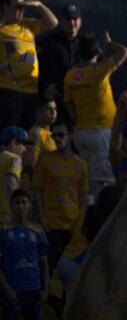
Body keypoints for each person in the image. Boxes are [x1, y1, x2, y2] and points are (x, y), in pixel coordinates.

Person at [62, 31, 126, 201]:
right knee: (103, 183)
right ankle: (100, 218)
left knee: (89, 181)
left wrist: (77, 121)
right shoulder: (100, 69)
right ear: (97, 53)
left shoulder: (70, 75)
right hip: (101, 133)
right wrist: (109, 45)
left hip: (80, 133)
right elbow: (124, 52)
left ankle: (89, 217)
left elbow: (68, 104)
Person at [30, 123, 85, 265]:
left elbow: (85, 197)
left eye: (61, 135)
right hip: (51, 224)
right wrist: (41, 218)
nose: (57, 139)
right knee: (49, 264)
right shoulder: (45, 160)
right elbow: (37, 191)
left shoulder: (81, 164)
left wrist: (80, 223)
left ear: (70, 136)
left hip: (72, 225)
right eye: (54, 136)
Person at [0, 0, 56, 132]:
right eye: (18, 7)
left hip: (31, 92)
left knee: (26, 136)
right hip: (10, 92)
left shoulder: (27, 26)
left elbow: (53, 23)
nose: (22, 11)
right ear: (5, 7)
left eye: (23, 8)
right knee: (9, 136)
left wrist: (39, 5)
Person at [0, 189, 47, 320]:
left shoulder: (38, 231)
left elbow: (44, 263)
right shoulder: (3, 231)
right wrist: (8, 291)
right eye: (16, 203)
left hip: (34, 290)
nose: (20, 206)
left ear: (30, 205)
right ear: (10, 206)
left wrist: (45, 290)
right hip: (13, 292)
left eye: (23, 202)